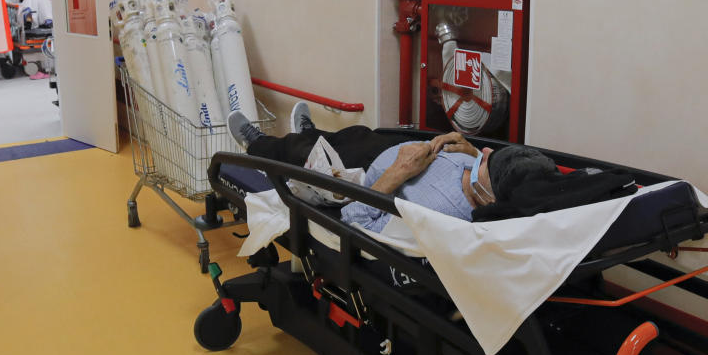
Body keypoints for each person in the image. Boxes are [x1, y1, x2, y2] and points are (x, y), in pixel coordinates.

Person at [227, 103, 558, 231]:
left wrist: (398, 172)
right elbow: (486, 163)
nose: (481, 157)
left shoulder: (442, 215)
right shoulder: (482, 168)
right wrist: (471, 151)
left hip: (367, 177)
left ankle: (256, 145)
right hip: (395, 153)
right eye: (486, 155)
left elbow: (357, 220)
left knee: (301, 153)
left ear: (489, 199)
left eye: (483, 164)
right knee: (356, 133)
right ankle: (312, 133)